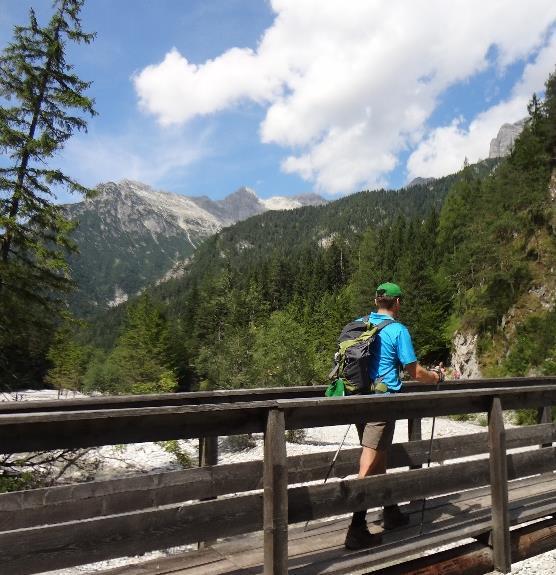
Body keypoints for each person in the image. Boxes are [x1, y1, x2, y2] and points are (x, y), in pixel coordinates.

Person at [345, 281, 444, 551]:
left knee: (379, 458)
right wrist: (436, 376)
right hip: (381, 403)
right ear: (397, 303)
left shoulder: (359, 323)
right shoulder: (398, 330)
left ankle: (391, 512)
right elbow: (415, 373)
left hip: (358, 399)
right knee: (368, 463)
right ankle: (356, 528)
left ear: (377, 301)